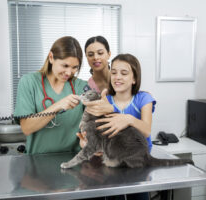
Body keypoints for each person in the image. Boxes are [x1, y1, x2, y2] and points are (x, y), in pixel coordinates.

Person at [82, 53, 156, 200]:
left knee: (139, 196)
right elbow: (99, 134)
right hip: (112, 163)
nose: (117, 77)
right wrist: (89, 144)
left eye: (124, 73)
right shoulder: (105, 100)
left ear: (134, 79)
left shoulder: (144, 98)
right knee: (113, 196)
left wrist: (128, 119)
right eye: (114, 72)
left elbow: (146, 130)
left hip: (137, 163)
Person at [14, 36, 87, 154]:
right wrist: (57, 106)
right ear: (51, 57)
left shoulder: (81, 86)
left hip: (74, 162)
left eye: (75, 67)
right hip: (37, 162)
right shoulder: (29, 82)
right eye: (65, 65)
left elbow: (93, 122)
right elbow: (26, 128)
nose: (69, 73)